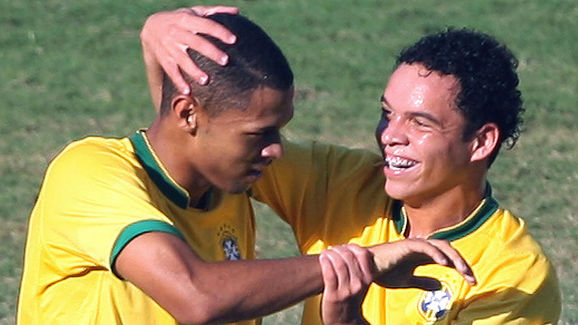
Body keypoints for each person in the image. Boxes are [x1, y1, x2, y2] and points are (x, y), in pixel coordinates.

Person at [17, 11, 475, 325]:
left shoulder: (230, 183)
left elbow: (187, 123)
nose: (277, 152)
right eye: (259, 134)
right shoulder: (88, 173)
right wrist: (357, 262)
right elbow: (195, 296)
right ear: (188, 114)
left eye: (279, 131)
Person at [141, 7, 562, 325]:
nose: (389, 135)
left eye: (420, 123)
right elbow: (205, 140)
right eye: (387, 112)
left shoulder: (514, 273)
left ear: (481, 141)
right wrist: (156, 35)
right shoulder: (340, 182)